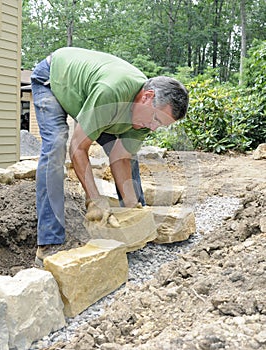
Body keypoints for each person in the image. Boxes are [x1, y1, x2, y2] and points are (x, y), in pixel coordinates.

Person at [31, 47, 189, 266]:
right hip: (54, 78)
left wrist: (132, 206)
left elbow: (120, 157)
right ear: (147, 97)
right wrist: (95, 199)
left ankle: (134, 225)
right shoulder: (111, 92)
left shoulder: (147, 118)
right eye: (155, 119)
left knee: (129, 157)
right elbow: (77, 148)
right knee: (56, 145)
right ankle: (49, 242)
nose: (153, 128)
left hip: (93, 99)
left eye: (160, 125)